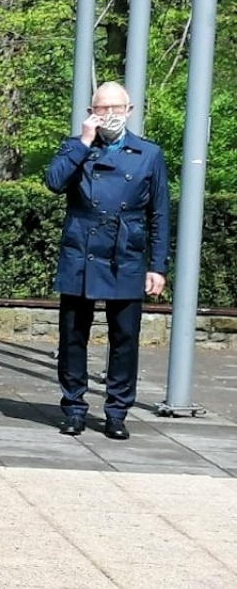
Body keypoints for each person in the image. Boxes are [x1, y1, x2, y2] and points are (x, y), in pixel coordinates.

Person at [43, 82, 169, 440]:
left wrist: (157, 266)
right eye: (102, 108)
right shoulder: (74, 148)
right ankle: (74, 407)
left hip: (125, 253)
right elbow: (54, 182)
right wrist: (83, 143)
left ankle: (117, 411)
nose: (109, 115)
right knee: (72, 336)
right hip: (81, 252)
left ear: (129, 111)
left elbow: (159, 213)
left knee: (125, 338)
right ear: (90, 112)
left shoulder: (148, 153)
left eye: (116, 108)